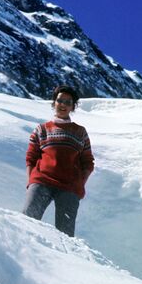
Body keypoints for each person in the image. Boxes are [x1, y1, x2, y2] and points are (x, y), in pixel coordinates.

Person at [23, 85, 95, 237]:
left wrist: (80, 183)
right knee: (26, 223)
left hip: (69, 188)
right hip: (41, 182)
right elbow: (31, 157)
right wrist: (31, 182)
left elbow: (88, 162)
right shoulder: (42, 129)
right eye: (60, 100)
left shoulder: (80, 132)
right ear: (54, 103)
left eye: (68, 102)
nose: (63, 104)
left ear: (72, 107)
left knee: (65, 235)